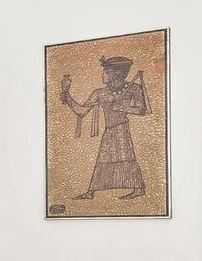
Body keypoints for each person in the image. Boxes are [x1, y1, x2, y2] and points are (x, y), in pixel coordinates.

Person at [58, 54, 149, 200]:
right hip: (110, 130)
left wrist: (123, 108)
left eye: (106, 72)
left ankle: (138, 188)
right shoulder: (100, 93)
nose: (103, 75)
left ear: (117, 73)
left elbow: (142, 110)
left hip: (122, 130)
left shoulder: (134, 88)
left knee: (127, 157)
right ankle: (91, 192)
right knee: (103, 158)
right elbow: (81, 112)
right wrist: (66, 93)